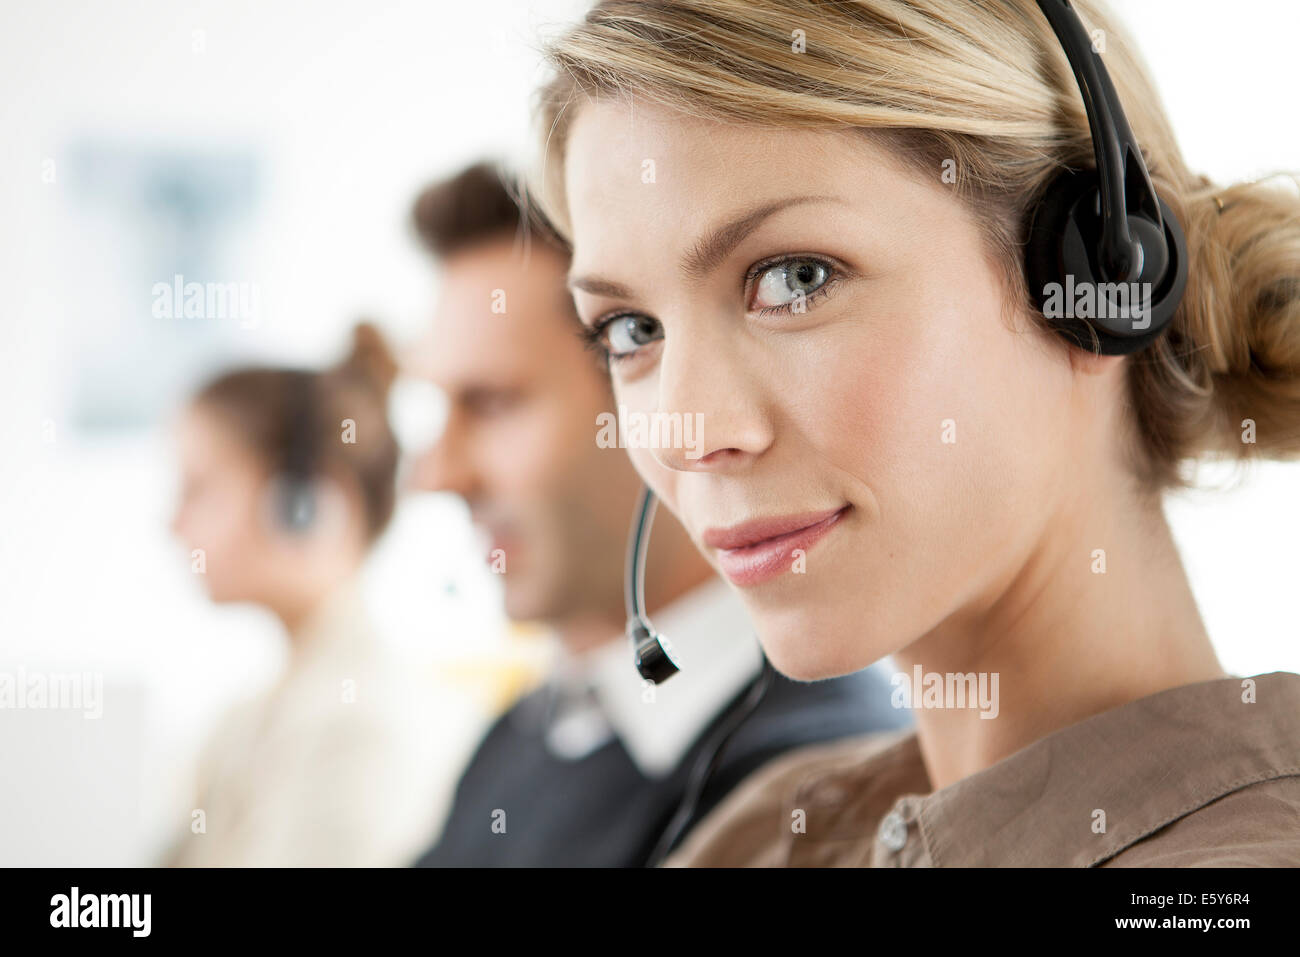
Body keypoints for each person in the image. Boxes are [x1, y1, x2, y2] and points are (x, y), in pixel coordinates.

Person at [528, 0, 1300, 866]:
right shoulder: (764, 830)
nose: (686, 433)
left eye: (795, 277)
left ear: (1099, 274)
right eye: (631, 329)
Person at [402, 162, 910, 867]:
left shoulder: (811, 787)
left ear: (649, 407)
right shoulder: (535, 727)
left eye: (492, 404)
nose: (436, 474)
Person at [164, 322, 475, 866]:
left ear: (303, 506)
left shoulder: (358, 725)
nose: (173, 524)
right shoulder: (252, 715)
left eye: (199, 489)